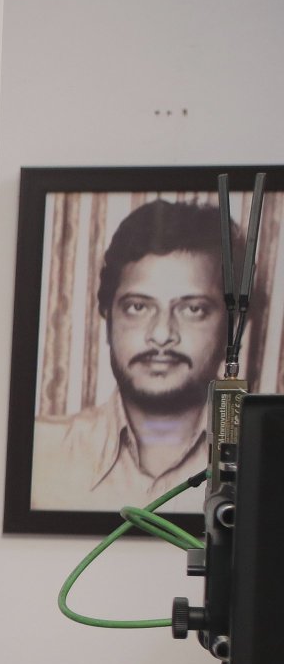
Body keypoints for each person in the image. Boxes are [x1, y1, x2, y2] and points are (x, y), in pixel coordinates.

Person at [32, 199, 234, 511]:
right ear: (108, 317)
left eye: (193, 309)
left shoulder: (267, 458)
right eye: (138, 307)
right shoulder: (40, 452)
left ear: (230, 326)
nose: (162, 334)